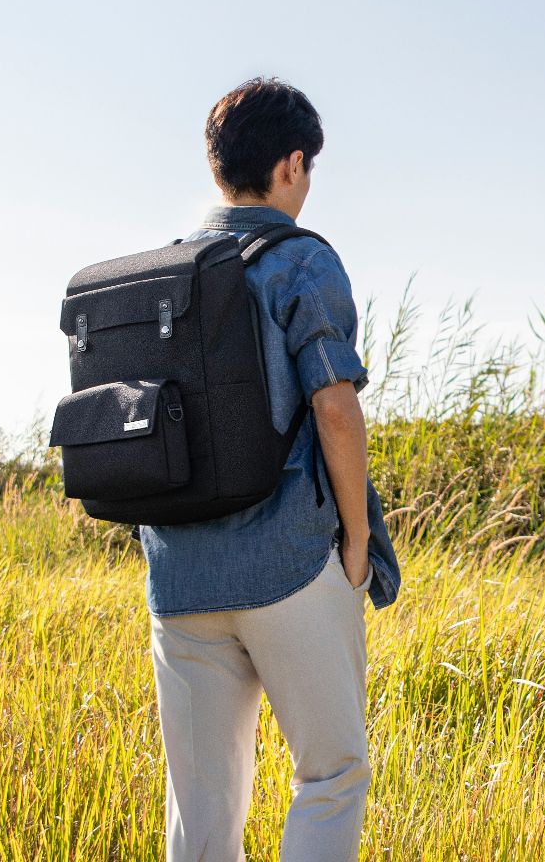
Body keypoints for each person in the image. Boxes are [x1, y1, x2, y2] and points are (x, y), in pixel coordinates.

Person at [142, 77, 402, 861]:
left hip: (180, 576)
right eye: (309, 169)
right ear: (292, 165)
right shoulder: (300, 260)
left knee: (203, 808)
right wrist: (357, 539)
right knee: (330, 774)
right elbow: (334, 405)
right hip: (286, 563)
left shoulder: (167, 269)